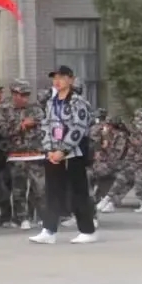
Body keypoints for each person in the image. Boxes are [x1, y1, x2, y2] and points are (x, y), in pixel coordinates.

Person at [30, 65, 98, 245]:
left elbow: (78, 128)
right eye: (55, 78)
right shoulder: (51, 102)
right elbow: (45, 126)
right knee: (52, 192)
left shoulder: (78, 102)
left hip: (73, 153)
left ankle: (87, 230)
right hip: (53, 154)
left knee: (78, 192)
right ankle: (49, 230)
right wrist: (49, 150)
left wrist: (63, 150)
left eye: (61, 77)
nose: (57, 81)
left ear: (71, 79)